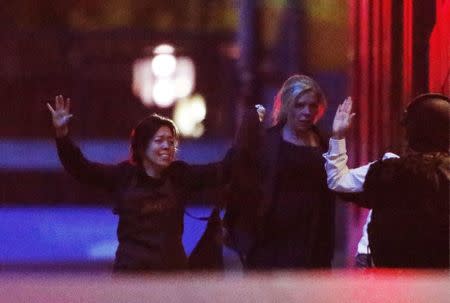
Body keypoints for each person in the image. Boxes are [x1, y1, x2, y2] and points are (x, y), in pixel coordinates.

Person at [47, 95, 231, 272]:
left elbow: (223, 170)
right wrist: (62, 135)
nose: (167, 146)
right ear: (142, 147)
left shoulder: (180, 175)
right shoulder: (124, 177)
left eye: (171, 141)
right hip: (131, 278)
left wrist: (253, 122)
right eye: (159, 141)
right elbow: (80, 168)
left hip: (173, 277)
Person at [323, 93, 449, 268]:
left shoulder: (386, 171)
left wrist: (338, 136)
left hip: (389, 279)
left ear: (410, 130)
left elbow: (338, 181)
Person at [224, 74, 336, 269]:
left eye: (312, 106)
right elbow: (240, 178)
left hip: (312, 238)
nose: (307, 112)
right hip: (271, 240)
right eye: (299, 105)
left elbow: (333, 187)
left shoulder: (323, 143)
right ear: (287, 106)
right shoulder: (267, 142)